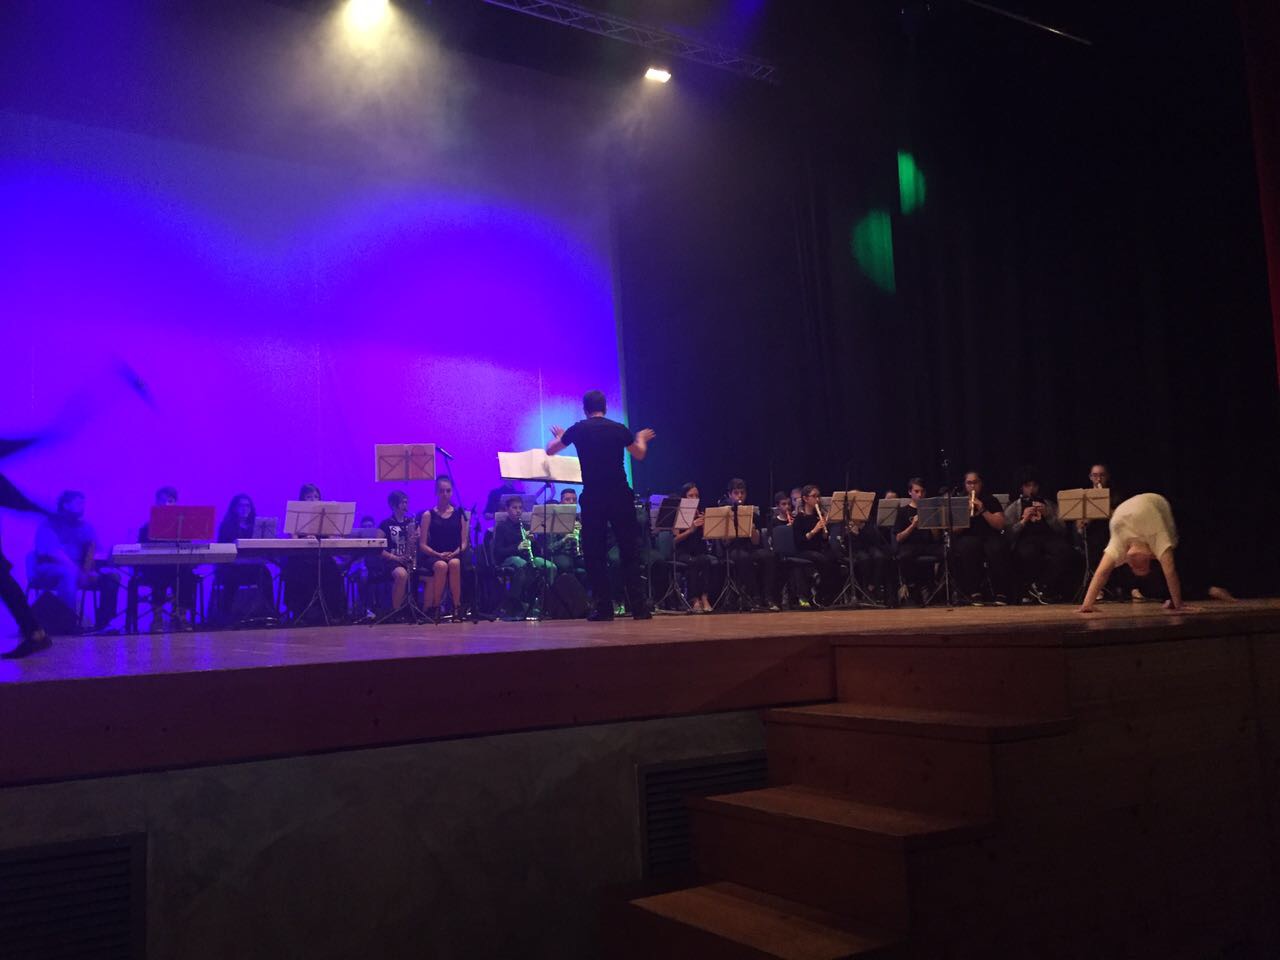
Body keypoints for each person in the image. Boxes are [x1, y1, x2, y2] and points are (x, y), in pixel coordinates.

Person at [546, 390, 655, 621]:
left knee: (595, 553)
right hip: (620, 495)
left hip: (594, 497)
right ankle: (639, 607)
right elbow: (639, 454)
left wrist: (561, 436)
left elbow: (550, 450)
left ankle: (604, 608)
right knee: (629, 550)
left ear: (585, 409)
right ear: (604, 408)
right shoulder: (618, 429)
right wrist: (641, 439)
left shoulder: (578, 429)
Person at [1078, 492, 1234, 613]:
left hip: (1159, 508)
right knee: (1167, 568)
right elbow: (1101, 573)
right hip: (1127, 513)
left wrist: (1179, 605)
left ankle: (1204, 590)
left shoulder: (1153, 532)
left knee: (1175, 559)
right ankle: (1185, 595)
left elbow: (1170, 570)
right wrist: (1087, 604)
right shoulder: (1119, 542)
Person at [30, 490, 121, 632]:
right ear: (65, 505)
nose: (83, 507)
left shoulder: (86, 527)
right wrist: (78, 571)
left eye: (83, 504)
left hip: (78, 570)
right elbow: (54, 552)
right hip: (49, 568)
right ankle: (68, 623)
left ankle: (104, 624)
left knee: (112, 577)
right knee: (68, 574)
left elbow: (94, 551)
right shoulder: (50, 524)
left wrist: (106, 559)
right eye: (79, 503)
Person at [1004, 471, 1078, 603]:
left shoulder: (1048, 504)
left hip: (1048, 538)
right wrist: (1023, 520)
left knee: (1066, 552)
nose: (1031, 489)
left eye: (1034, 485)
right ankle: (1033, 590)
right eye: (1028, 486)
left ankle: (1042, 586)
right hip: (1026, 539)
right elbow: (1008, 534)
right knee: (1028, 554)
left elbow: (1062, 529)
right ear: (1022, 487)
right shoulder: (1014, 506)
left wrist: (1048, 515)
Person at [135, 485, 199, 630]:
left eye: (170, 501)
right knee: (158, 576)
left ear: (176, 503)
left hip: (177, 568)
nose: (166, 504)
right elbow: (142, 551)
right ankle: (157, 618)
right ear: (156, 503)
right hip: (155, 568)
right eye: (162, 500)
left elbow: (187, 549)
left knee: (187, 576)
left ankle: (181, 616)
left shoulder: (184, 528)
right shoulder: (147, 527)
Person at [952, 471, 1011, 605]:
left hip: (990, 535)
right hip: (968, 536)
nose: (972, 486)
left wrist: (983, 510)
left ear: (981, 483)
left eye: (975, 482)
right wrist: (967, 514)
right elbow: (954, 530)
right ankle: (974, 591)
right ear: (965, 485)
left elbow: (1000, 525)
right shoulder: (960, 501)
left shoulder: (990, 499)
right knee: (969, 548)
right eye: (969, 483)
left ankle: (1000, 592)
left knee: (997, 548)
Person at [213, 493, 274, 623]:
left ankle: (269, 612)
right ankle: (227, 616)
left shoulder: (256, 526)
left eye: (247, 506)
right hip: (232, 565)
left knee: (266, 574)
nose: (244, 509)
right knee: (230, 578)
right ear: (234, 508)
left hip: (252, 566)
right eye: (240, 506)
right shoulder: (227, 526)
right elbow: (222, 548)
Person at [721, 478, 780, 611]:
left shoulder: (752, 514)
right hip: (732, 549)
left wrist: (751, 530)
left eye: (742, 493)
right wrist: (734, 529)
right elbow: (725, 542)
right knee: (743, 558)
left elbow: (756, 541)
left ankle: (768, 597)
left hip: (750, 548)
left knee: (769, 556)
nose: (739, 496)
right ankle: (754, 597)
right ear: (730, 494)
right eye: (736, 493)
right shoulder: (726, 514)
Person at [492, 495, 554, 618]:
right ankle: (519, 603)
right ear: (507, 509)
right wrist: (517, 547)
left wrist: (533, 541)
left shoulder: (525, 527)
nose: (518, 511)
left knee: (550, 566)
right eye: (514, 508)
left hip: (527, 559)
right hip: (508, 559)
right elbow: (498, 552)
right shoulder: (502, 527)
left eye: (520, 508)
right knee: (523, 565)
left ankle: (547, 603)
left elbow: (537, 552)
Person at [420, 477, 469, 620]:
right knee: (441, 566)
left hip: (454, 553)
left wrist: (455, 553)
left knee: (454, 563)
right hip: (433, 555)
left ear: (452, 492)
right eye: (441, 491)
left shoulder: (459, 514)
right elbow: (422, 544)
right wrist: (438, 554)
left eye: (448, 491)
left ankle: (456, 607)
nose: (445, 494)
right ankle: (436, 607)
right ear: (436, 492)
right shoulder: (428, 515)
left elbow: (464, 542)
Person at [894, 477, 944, 604]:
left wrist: (933, 525)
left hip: (927, 545)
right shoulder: (903, 511)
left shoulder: (931, 510)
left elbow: (937, 538)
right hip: (910, 545)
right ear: (910, 492)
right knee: (904, 555)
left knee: (947, 553)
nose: (920, 495)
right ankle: (911, 587)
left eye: (922, 491)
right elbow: (898, 538)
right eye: (916, 491)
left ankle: (939, 587)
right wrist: (913, 525)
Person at [792, 484, 842, 604]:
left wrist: (824, 532)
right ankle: (818, 593)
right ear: (805, 498)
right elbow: (799, 541)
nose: (817, 499)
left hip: (817, 549)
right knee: (822, 559)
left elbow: (823, 540)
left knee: (834, 557)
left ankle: (829, 595)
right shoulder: (799, 518)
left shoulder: (817, 516)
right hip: (803, 550)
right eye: (814, 496)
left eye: (818, 496)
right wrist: (814, 530)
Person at [671, 483, 718, 613]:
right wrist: (690, 530)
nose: (694, 498)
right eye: (690, 495)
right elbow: (674, 540)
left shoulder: (700, 512)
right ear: (684, 497)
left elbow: (708, 539)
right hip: (682, 552)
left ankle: (705, 597)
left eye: (696, 496)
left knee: (706, 560)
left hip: (698, 550)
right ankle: (694, 599)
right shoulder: (678, 514)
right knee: (693, 562)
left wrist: (706, 526)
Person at [373, 490, 416, 614]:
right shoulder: (385, 524)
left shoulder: (410, 522)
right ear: (393, 505)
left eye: (406, 502)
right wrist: (396, 558)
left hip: (408, 559)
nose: (405, 505)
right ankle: (396, 611)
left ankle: (423, 610)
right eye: (402, 503)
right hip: (391, 561)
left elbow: (415, 544)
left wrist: (416, 537)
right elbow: (377, 549)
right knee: (401, 575)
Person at [548, 488, 587, 587]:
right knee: (567, 565)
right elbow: (550, 547)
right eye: (568, 499)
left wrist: (582, 532)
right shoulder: (554, 520)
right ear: (561, 502)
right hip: (559, 553)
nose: (571, 502)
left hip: (575, 554)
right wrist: (564, 539)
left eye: (574, 500)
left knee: (593, 563)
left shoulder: (579, 518)